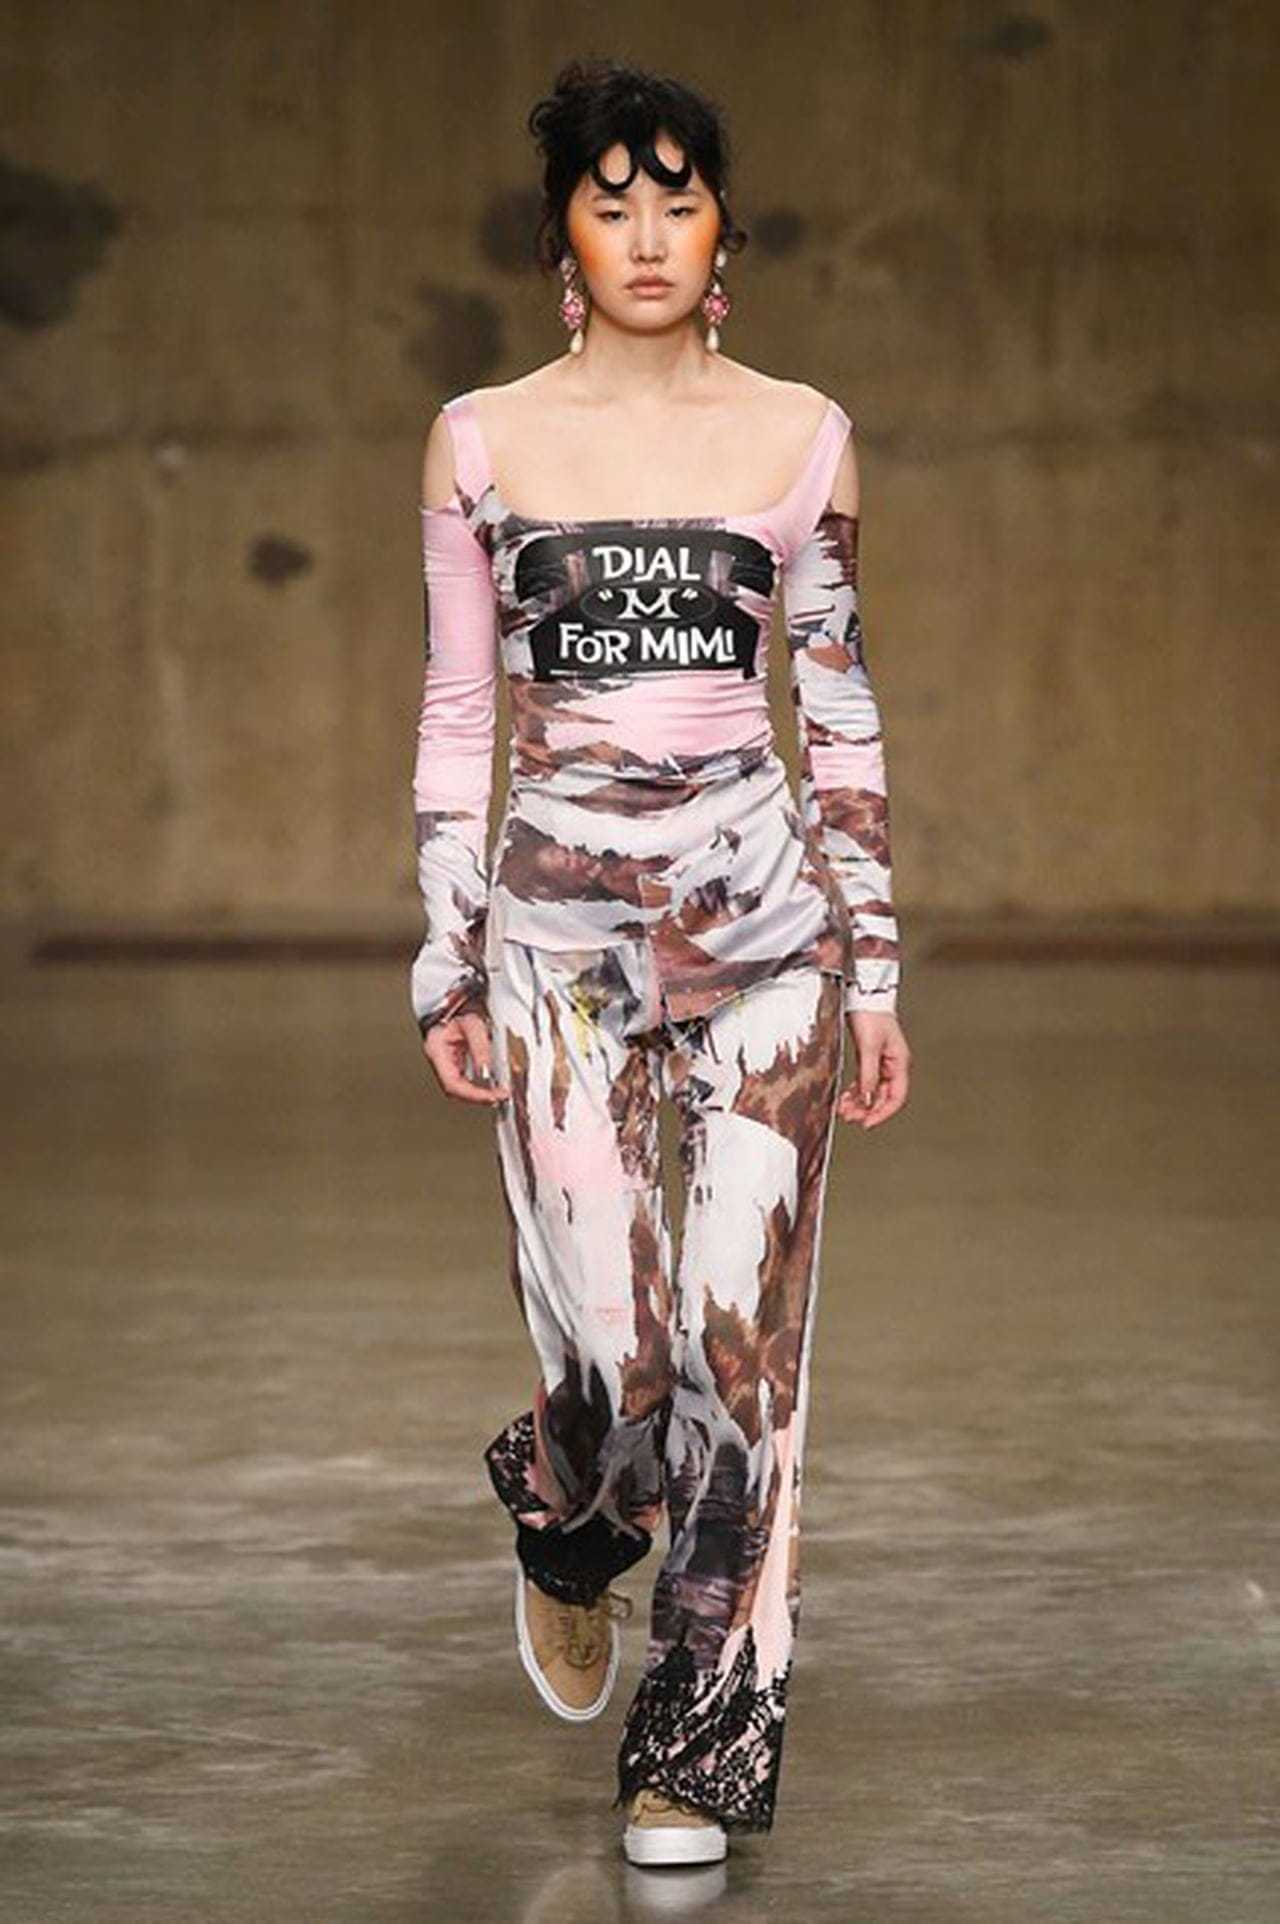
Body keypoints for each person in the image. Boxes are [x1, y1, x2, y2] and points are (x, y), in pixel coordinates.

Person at [410, 57, 911, 1869]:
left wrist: (872, 966)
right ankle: (568, 1508)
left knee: (739, 1349)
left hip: (769, 940)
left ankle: (696, 1743)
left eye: (675, 202)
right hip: (557, 951)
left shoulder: (805, 436)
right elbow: (460, 714)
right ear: (562, 242)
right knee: (619, 1352)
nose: (644, 234)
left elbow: (835, 711)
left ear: (724, 237)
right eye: (609, 204)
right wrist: (447, 958)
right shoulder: (479, 440)